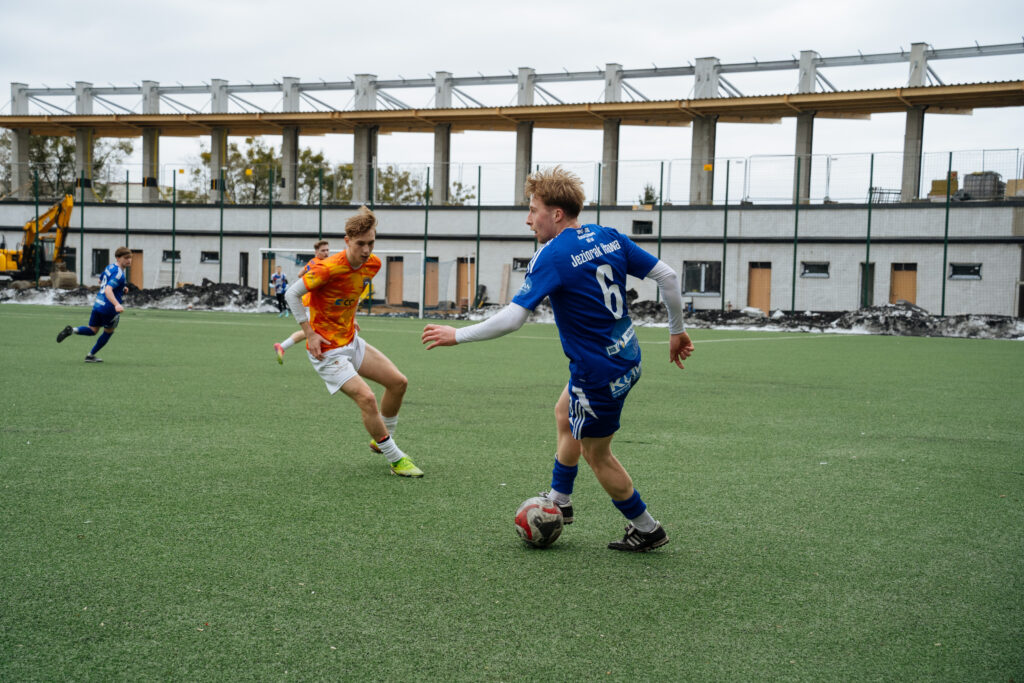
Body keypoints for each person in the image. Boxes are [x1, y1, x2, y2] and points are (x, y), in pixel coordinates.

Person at [422, 166, 693, 552]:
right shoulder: (608, 236)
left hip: (597, 372)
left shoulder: (551, 256)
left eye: (534, 210)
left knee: (597, 455)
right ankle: (560, 500)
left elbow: (514, 318)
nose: (528, 219)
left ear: (557, 214)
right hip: (628, 356)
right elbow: (668, 276)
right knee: (564, 412)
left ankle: (647, 529)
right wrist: (676, 331)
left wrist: (457, 335)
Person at [285, 206, 423, 478]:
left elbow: (352, 291)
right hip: (326, 350)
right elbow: (292, 294)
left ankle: (381, 438)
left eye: (371, 242)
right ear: (347, 241)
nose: (366, 250)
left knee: (398, 383)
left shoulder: (373, 264)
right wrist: (309, 333)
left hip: (350, 340)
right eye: (360, 244)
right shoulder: (327, 268)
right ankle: (396, 459)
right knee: (367, 398)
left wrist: (351, 315)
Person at [56, 246, 133, 363]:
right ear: (118, 258)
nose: (129, 260)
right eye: (126, 258)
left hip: (98, 304)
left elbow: (101, 281)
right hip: (109, 308)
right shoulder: (119, 274)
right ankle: (90, 355)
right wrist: (117, 304)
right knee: (108, 332)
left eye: (130, 258)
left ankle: (72, 330)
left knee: (93, 330)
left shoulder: (110, 267)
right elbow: (108, 289)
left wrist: (122, 288)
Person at [274, 239, 330, 363]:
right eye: (323, 251)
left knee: (310, 331)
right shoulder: (320, 264)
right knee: (313, 331)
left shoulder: (312, 262)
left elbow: (300, 274)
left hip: (311, 301)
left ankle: (282, 347)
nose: (326, 253)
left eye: (327, 250)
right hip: (312, 302)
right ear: (316, 252)